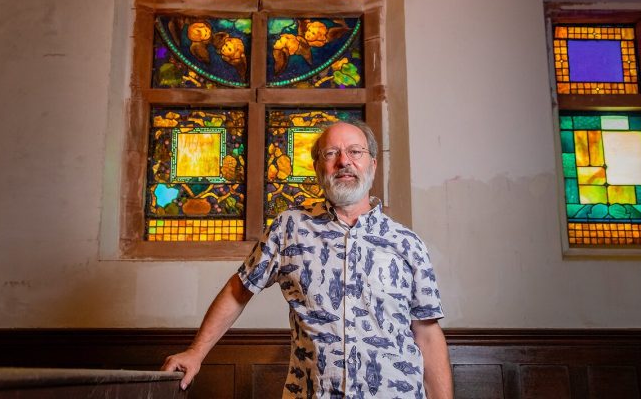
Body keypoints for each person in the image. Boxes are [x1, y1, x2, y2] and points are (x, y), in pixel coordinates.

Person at [162, 121, 453, 398]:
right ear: (317, 168)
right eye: (331, 153)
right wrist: (196, 352)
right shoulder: (289, 227)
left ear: (373, 164)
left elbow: (427, 333)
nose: (344, 161)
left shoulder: (407, 242)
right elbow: (239, 289)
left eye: (355, 151)